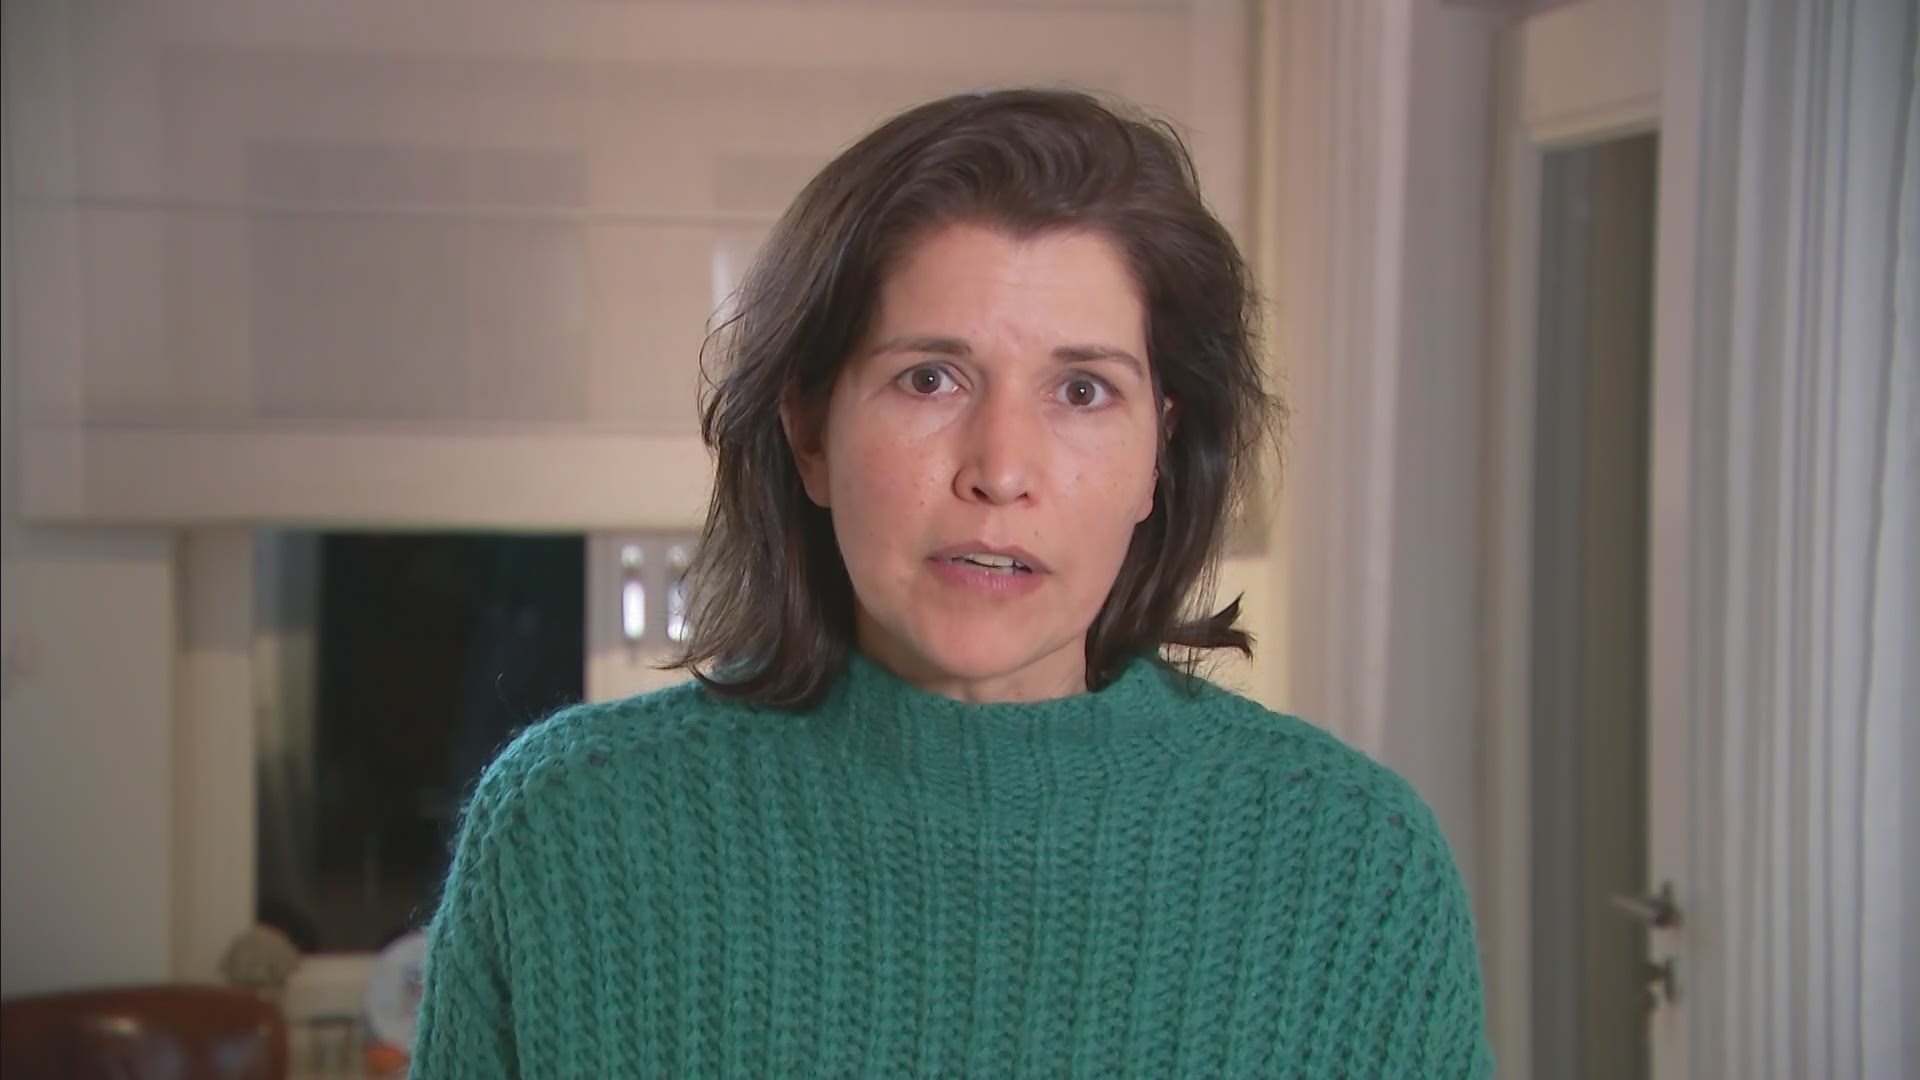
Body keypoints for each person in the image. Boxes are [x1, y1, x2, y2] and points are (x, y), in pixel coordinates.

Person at [411, 87, 1492, 1077]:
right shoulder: (569, 833)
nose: (1001, 470)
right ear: (810, 431)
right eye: (930, 378)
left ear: (1159, 455)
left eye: (1082, 390)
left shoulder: (1357, 872)